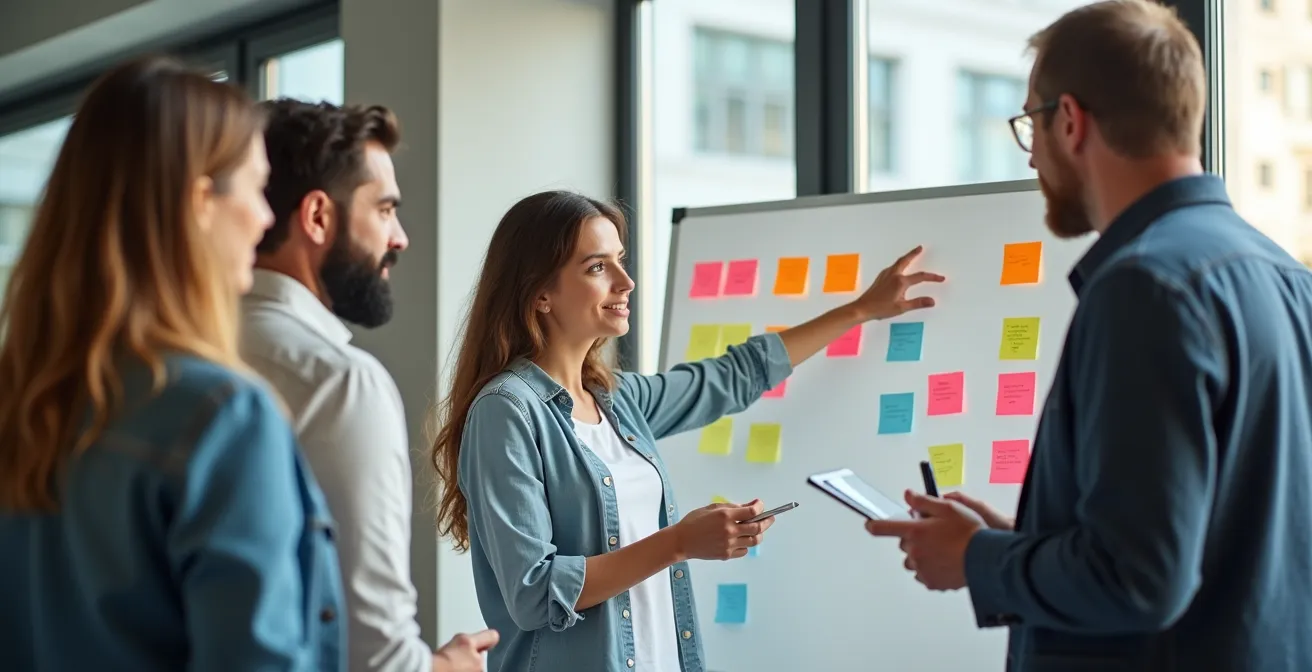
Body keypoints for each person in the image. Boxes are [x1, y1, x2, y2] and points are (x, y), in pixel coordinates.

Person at [864, 2, 1312, 670]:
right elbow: (1223, 545)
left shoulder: (1145, 288)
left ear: (1070, 121)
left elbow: (1141, 578)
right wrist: (1024, 544)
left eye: (1029, 125)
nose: (1032, 158)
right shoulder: (1287, 277)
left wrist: (976, 558)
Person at [429, 190, 943, 672]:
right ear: (540, 294)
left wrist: (860, 310)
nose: (625, 283)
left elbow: (732, 376)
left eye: (621, 260)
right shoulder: (506, 411)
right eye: (597, 267)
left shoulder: (618, 400)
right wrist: (679, 542)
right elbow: (534, 592)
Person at [0, 56, 345, 669]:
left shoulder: (19, 401)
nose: (267, 218)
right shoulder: (221, 419)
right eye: (256, 189)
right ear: (199, 202)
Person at [241, 98, 498, 672]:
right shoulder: (339, 385)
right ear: (316, 217)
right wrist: (448, 666)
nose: (400, 238)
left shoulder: (178, 351)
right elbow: (376, 654)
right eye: (384, 209)